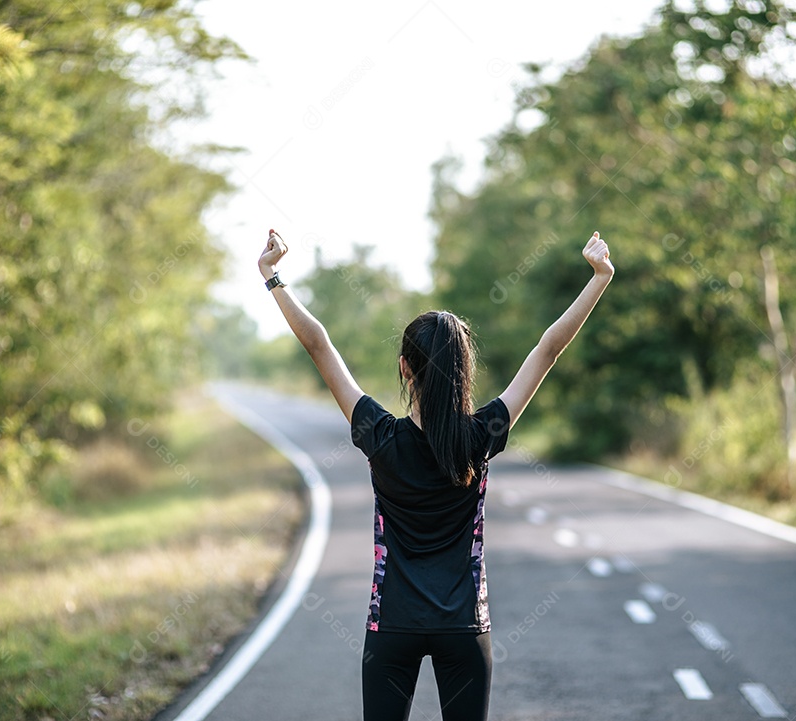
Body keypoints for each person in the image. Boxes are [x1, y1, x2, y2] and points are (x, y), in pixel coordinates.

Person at [257, 230, 614, 721]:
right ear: (464, 371)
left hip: (392, 626)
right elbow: (548, 349)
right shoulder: (481, 434)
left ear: (405, 369)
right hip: (465, 627)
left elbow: (318, 344)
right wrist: (599, 277)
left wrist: (273, 277)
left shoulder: (378, 435)